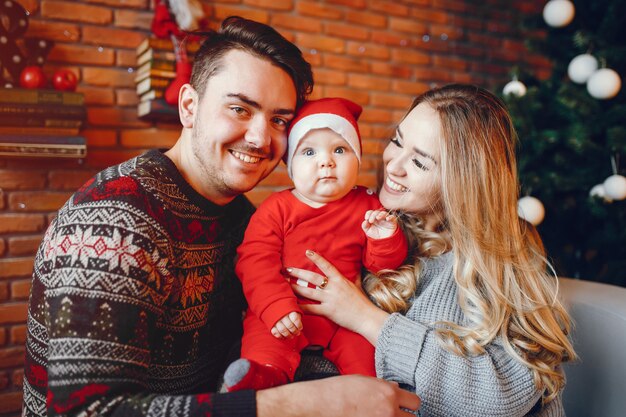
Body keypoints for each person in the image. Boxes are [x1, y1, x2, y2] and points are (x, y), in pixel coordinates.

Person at [21, 16, 421, 417]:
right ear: (189, 106)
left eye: (279, 120)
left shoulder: (242, 218)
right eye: (239, 109)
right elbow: (84, 412)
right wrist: (304, 403)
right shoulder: (116, 224)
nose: (260, 139)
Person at [288, 84, 577, 416]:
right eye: (397, 141)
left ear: (461, 182)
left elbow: (498, 401)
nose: (393, 165)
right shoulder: (371, 226)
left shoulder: (497, 266)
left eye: (420, 163)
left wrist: (363, 317)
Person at [223, 98, 408, 392]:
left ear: (357, 159)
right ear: (291, 166)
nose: (326, 161)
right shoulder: (276, 208)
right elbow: (255, 261)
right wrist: (275, 307)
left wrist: (384, 237)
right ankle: (261, 378)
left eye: (339, 149)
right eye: (309, 151)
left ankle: (364, 394)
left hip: (343, 316)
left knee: (365, 360)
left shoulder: (369, 205)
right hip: (285, 308)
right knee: (266, 341)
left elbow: (381, 266)